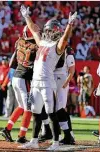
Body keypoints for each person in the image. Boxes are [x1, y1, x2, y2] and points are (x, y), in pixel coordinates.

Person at [19, 5, 77, 150]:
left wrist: (70, 24)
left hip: (47, 82)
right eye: (48, 29)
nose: (48, 32)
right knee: (36, 112)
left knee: (52, 112)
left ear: (56, 32)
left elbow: (65, 38)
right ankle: (34, 140)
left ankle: (56, 142)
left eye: (51, 30)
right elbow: (33, 29)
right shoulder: (42, 42)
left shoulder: (58, 47)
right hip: (35, 83)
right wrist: (26, 17)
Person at [0, 25, 38, 143]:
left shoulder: (19, 42)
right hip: (24, 78)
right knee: (29, 108)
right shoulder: (35, 46)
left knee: (21, 106)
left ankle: (7, 129)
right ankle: (21, 136)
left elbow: (12, 63)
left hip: (16, 76)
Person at [40, 47, 76, 145]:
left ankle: (68, 135)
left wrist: (66, 82)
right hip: (51, 78)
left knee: (59, 109)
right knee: (49, 107)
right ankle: (56, 133)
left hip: (61, 78)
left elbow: (72, 69)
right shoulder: (50, 48)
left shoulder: (67, 50)